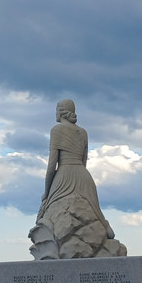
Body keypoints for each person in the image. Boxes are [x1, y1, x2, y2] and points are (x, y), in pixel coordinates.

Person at [37, 99, 115, 239]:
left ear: (60, 111)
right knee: (94, 209)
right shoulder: (83, 132)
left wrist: (46, 192)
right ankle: (105, 227)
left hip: (64, 174)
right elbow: (84, 160)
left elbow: (51, 165)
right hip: (83, 175)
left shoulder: (57, 130)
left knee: (52, 212)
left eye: (56, 109)